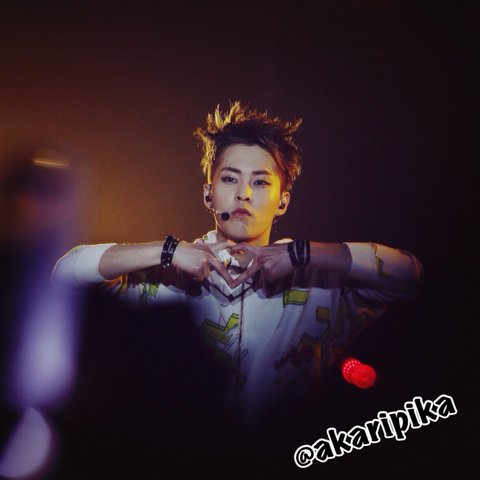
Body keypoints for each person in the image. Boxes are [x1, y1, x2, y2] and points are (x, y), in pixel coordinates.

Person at [51, 101, 423, 430]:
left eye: (260, 183)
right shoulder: (161, 275)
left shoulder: (318, 282)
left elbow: (409, 275)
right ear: (208, 193)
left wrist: (301, 254)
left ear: (283, 201)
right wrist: (169, 251)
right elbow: (64, 274)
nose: (243, 193)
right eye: (230, 178)